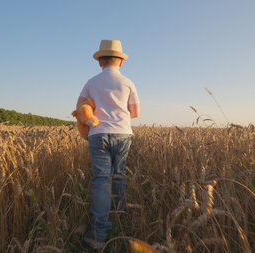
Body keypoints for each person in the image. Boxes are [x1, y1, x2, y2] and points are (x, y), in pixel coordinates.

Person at [76, 40, 140, 249]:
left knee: (102, 179)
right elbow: (135, 113)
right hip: (123, 134)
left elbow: (80, 107)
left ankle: (98, 234)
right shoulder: (128, 82)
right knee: (119, 173)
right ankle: (120, 215)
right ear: (121, 62)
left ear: (100, 62)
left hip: (98, 134)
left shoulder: (91, 82)